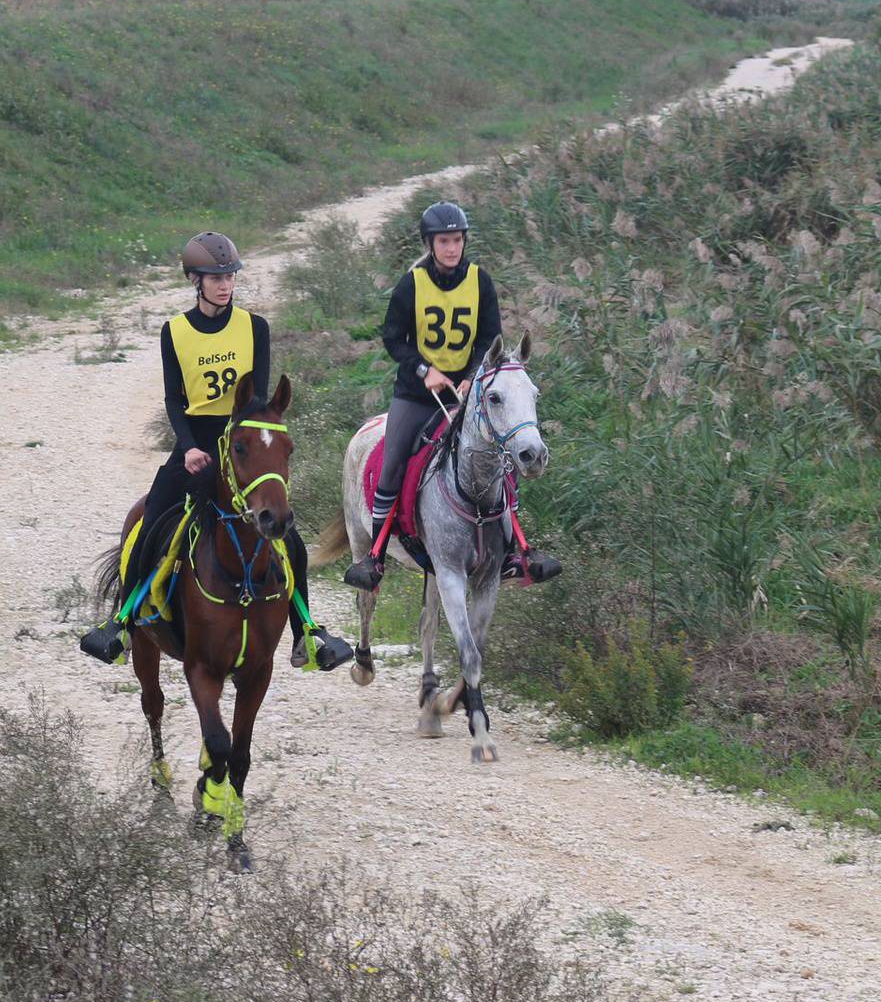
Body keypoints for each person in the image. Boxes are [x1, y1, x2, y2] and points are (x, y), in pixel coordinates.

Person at [82, 231, 353, 671]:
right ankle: (123, 621)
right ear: (195, 280)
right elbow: (174, 398)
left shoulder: (254, 328)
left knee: (289, 536)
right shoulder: (176, 331)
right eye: (215, 277)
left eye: (229, 276)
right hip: (195, 446)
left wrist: (242, 445)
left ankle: (307, 630)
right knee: (149, 526)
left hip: (242, 443)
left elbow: (258, 397)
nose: (225, 284)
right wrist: (188, 448)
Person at [342, 201, 560, 591]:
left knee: (500, 457)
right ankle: (375, 556)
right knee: (391, 462)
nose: (451, 248)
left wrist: (472, 377)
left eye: (457, 240)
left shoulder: (480, 281)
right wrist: (425, 371)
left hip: (466, 393)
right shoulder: (412, 284)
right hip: (416, 392)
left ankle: (514, 550)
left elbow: (490, 338)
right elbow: (394, 338)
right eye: (444, 241)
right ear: (430, 243)